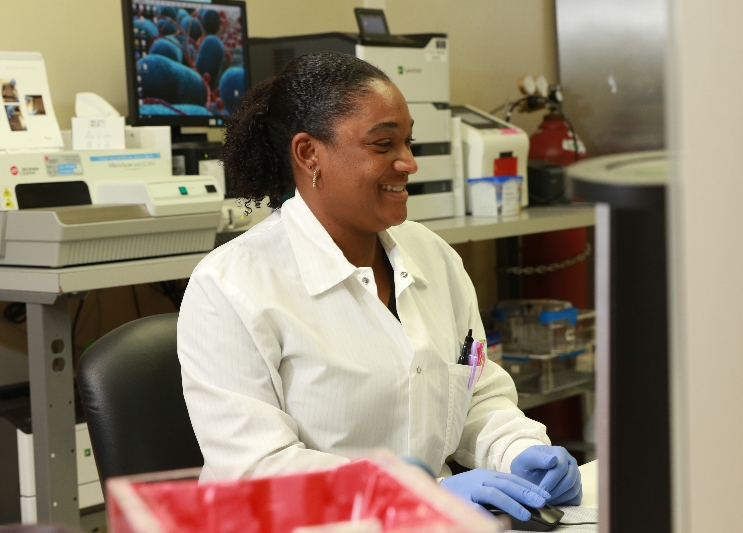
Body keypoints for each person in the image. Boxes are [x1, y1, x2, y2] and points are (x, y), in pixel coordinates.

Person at [177, 51, 581, 521]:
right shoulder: (230, 287)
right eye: (383, 145)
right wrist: (416, 494)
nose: (407, 163)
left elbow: (477, 393)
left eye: (408, 142)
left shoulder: (434, 258)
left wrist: (519, 451)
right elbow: (257, 471)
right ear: (309, 154)